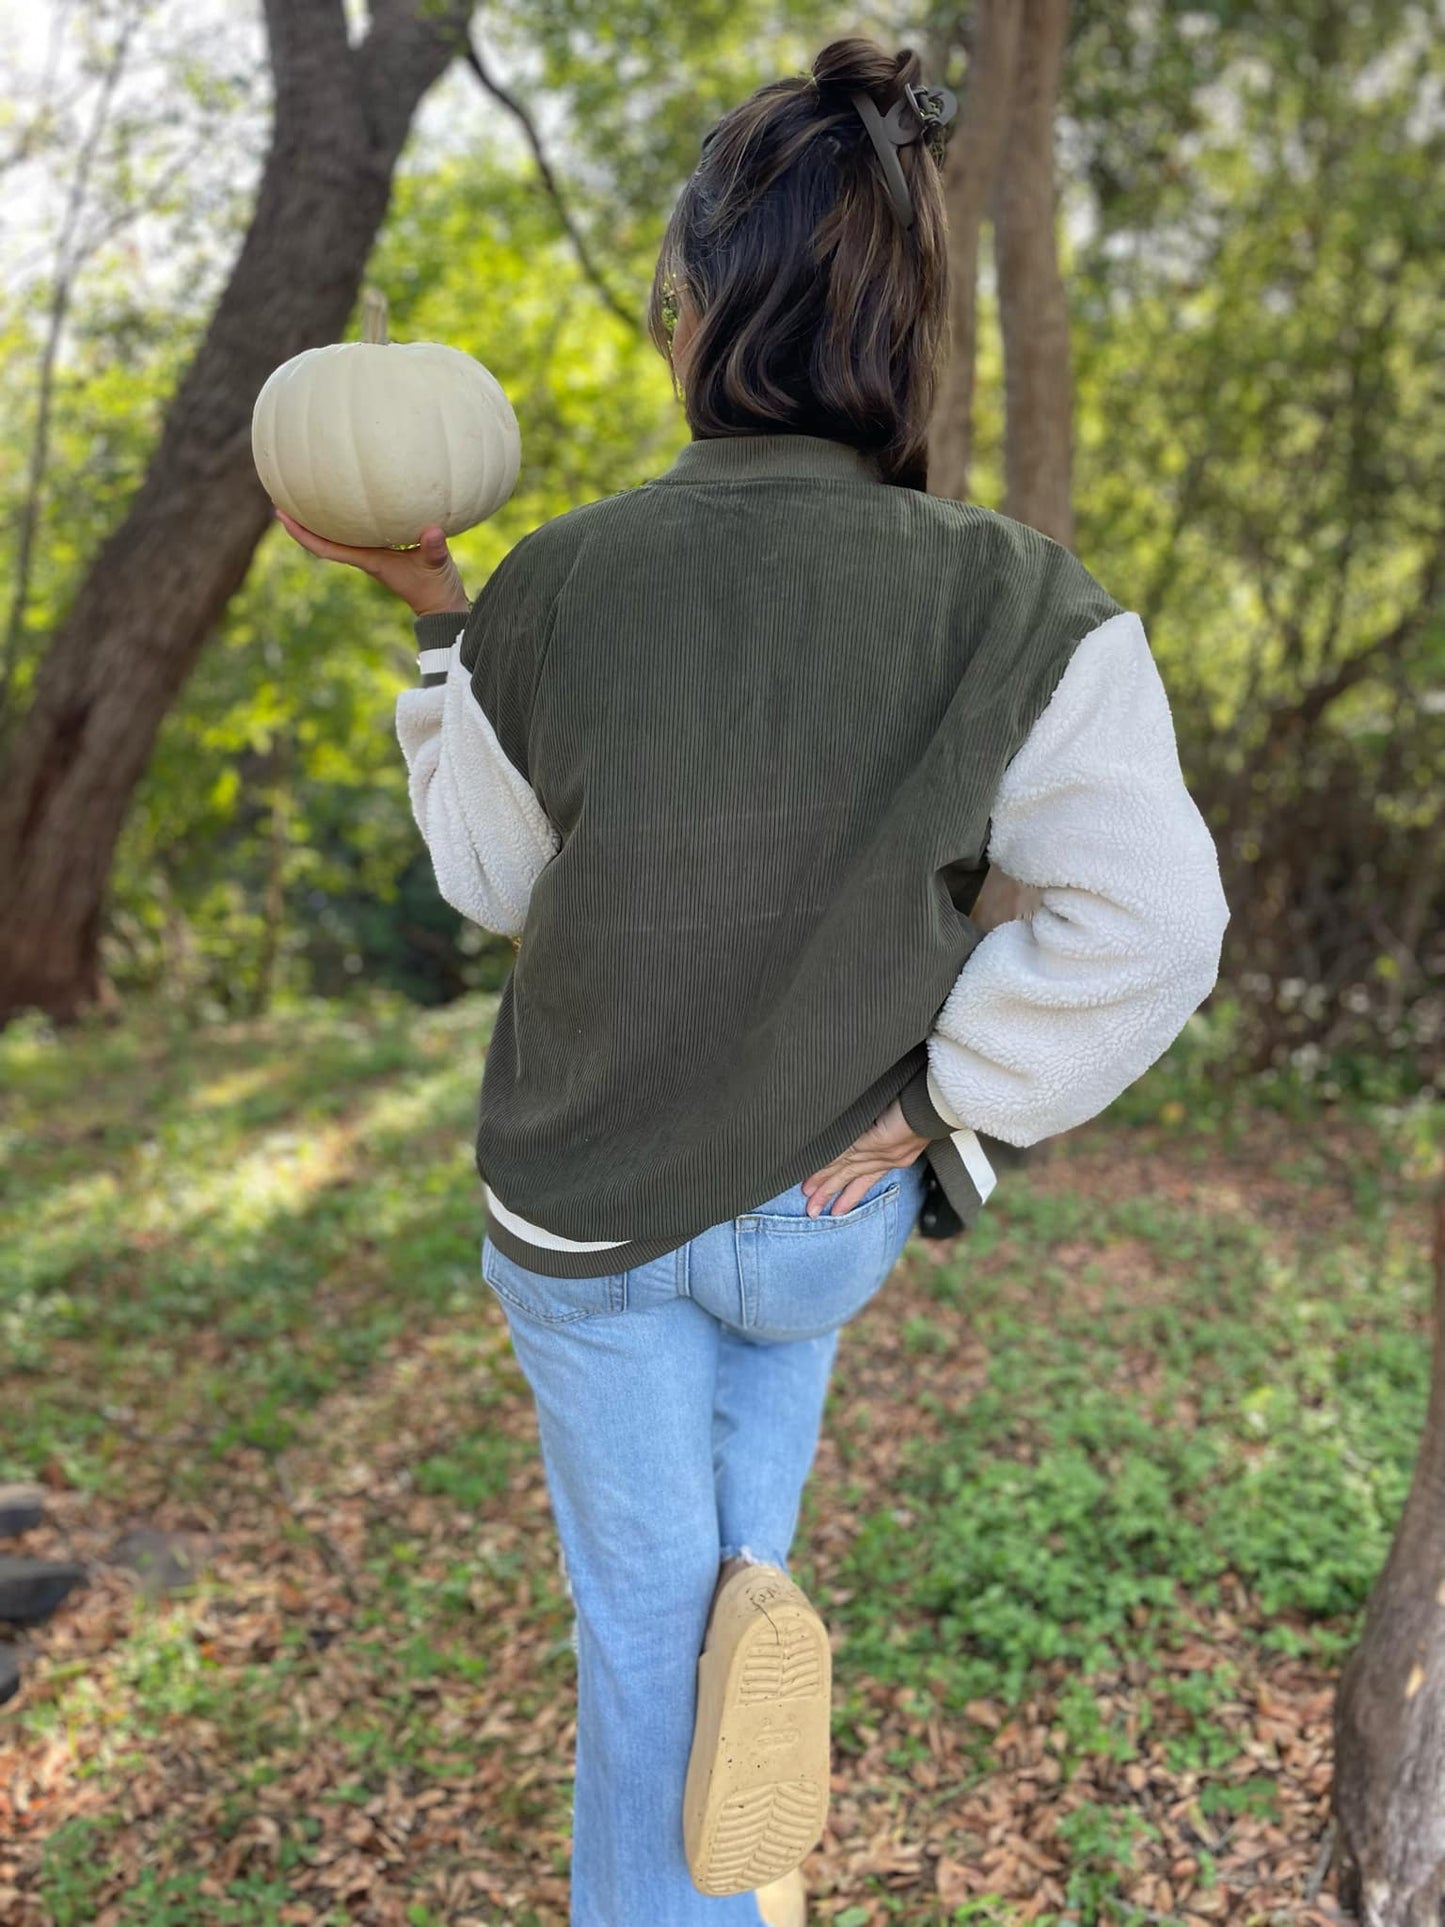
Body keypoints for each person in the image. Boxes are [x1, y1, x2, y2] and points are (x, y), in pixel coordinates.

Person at [277, 33, 1230, 1927]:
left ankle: (699, 1866)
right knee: (734, 1584)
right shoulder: (1020, 600)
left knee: (641, 1658)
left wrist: (440, 629)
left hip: (589, 1225)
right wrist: (934, 1121)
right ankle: (751, 1775)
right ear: (910, 321)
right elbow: (1150, 920)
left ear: (694, 307)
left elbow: (493, 881)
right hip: (819, 1212)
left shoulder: (556, 582)